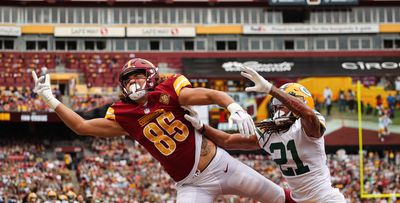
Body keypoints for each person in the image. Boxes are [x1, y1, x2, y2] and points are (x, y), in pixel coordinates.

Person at [32, 58, 290, 203]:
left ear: (151, 76)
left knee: (278, 197)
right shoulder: (124, 114)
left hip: (222, 165)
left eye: (138, 76)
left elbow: (212, 93)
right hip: (191, 185)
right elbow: (81, 126)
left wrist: (233, 106)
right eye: (128, 80)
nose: (133, 83)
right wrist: (51, 101)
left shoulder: (171, 89)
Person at [185, 66, 346, 203]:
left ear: (300, 104)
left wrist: (271, 89)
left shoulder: (308, 124)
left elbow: (308, 115)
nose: (277, 111)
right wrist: (202, 127)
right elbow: (228, 140)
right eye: (275, 108)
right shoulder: (270, 133)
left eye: (282, 106)